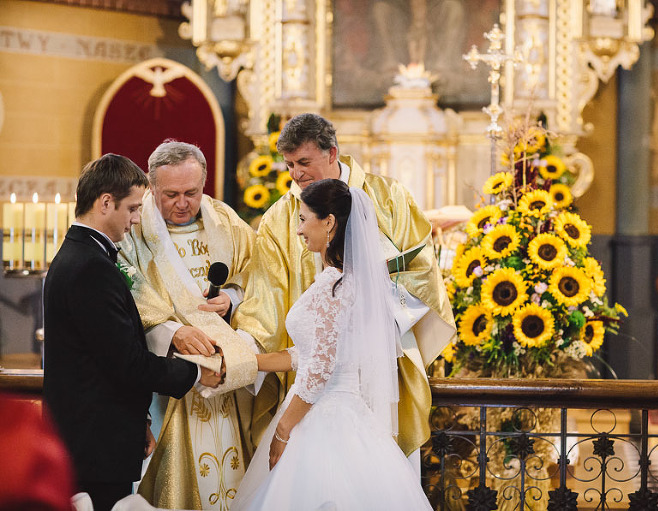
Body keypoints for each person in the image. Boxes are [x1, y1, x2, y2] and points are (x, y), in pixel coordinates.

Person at [232, 113, 455, 469]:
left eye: (304, 162)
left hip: (384, 365)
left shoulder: (388, 198)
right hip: (314, 388)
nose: (296, 174)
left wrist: (368, 322)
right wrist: (240, 354)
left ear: (332, 153)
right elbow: (265, 302)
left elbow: (423, 272)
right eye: (289, 164)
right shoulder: (278, 218)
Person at [232, 179, 432, 510]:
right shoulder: (344, 282)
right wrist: (249, 363)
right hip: (338, 410)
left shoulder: (335, 288)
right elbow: (309, 354)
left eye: (303, 218)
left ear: (328, 222)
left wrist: (283, 430)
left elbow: (321, 368)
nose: (298, 230)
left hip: (323, 418)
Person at [43, 153, 222, 511]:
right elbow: (128, 364)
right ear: (105, 202)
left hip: (97, 435)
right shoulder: (91, 267)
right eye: (132, 208)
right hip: (96, 444)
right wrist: (196, 372)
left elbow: (106, 357)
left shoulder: (82, 255)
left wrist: (139, 419)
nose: (137, 219)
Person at [118, 141, 261, 510]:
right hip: (169, 376)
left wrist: (233, 296)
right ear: (151, 188)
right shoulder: (134, 228)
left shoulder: (225, 220)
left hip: (226, 376)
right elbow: (128, 288)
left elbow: (259, 272)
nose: (183, 203)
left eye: (192, 193)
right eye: (171, 194)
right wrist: (172, 332)